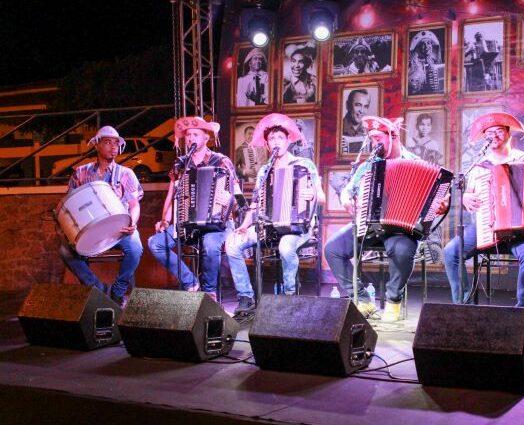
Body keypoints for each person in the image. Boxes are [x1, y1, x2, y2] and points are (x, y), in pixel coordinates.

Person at [442, 112, 524, 307]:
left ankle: (523, 311)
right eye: (489, 133)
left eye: (499, 131)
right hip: (486, 227)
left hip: (521, 230)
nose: (494, 136)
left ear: (508, 134)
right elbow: (468, 194)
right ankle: (464, 305)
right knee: (451, 252)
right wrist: (465, 197)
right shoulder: (479, 166)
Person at [225, 113, 325, 317]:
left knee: (286, 247)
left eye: (280, 137)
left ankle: (289, 296)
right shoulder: (265, 171)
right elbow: (255, 203)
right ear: (267, 144)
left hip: (299, 227)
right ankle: (246, 297)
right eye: (272, 139)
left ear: (288, 141)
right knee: (232, 244)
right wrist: (244, 225)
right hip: (269, 227)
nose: (276, 142)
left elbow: (322, 197)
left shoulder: (304, 165)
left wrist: (312, 194)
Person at [324, 116, 420, 322]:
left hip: (401, 230)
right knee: (332, 249)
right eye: (372, 139)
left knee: (402, 250)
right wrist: (345, 197)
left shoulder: (415, 163)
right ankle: (362, 298)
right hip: (370, 227)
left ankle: (393, 300)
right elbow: (349, 189)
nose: (374, 143)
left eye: (378, 138)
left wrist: (440, 204)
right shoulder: (368, 165)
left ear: (393, 136)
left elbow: (435, 197)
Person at [147, 117, 236, 299]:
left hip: (218, 223)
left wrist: (230, 199)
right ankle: (191, 283)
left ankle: (209, 292)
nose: (190, 138)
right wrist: (165, 220)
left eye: (195, 134)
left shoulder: (221, 161)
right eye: (188, 135)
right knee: (155, 243)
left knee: (210, 245)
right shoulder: (180, 163)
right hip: (188, 224)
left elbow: (237, 196)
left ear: (206, 138)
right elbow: (172, 194)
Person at [58, 126, 143, 307]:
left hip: (120, 228)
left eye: (116, 143)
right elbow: (71, 203)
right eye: (107, 142)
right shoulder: (81, 172)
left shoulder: (126, 174)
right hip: (90, 227)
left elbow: (134, 204)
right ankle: (98, 289)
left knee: (135, 248)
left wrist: (132, 222)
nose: (113, 147)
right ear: (97, 145)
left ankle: (118, 291)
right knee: (65, 251)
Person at [408, 30, 443, 95]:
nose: (426, 46)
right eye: (423, 44)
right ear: (418, 47)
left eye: (429, 43)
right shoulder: (412, 66)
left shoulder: (434, 62)